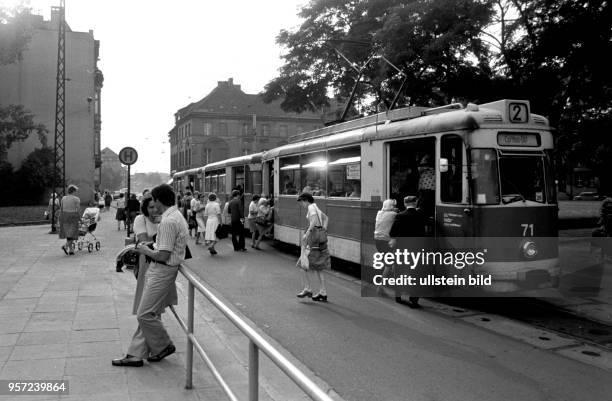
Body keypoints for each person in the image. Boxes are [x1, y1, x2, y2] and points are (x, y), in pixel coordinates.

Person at [112, 184, 187, 368]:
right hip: (161, 270)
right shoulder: (175, 216)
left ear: (159, 200)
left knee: (144, 314)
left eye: (153, 199)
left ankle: (164, 345)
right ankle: (136, 354)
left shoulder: (169, 221)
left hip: (162, 271)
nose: (152, 203)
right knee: (149, 312)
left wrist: (145, 249)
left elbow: (163, 255)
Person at [389, 195, 426, 307]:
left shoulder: (400, 216)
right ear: (416, 203)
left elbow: (392, 233)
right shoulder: (421, 215)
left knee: (400, 272)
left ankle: (398, 296)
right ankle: (414, 300)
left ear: (405, 204)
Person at [296, 192, 330, 302]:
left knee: (302, 263)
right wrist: (323, 230)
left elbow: (314, 220)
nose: (301, 205)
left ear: (305, 200)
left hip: (313, 239)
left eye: (301, 202)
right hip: (320, 238)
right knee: (318, 267)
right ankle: (323, 292)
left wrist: (308, 233)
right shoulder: (316, 207)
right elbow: (326, 218)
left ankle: (307, 288)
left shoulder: (311, 207)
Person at [130, 197, 161, 307]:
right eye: (151, 207)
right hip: (147, 259)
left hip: (160, 260)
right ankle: (143, 320)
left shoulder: (162, 219)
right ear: (145, 208)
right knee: (145, 292)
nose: (154, 210)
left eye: (156, 207)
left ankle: (152, 320)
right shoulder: (140, 219)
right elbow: (144, 241)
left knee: (157, 297)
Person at [59, 185, 81, 255]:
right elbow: (78, 209)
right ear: (73, 191)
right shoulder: (76, 199)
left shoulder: (63, 198)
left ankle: (71, 250)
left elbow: (61, 208)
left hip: (64, 216)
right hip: (73, 216)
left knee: (68, 232)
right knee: (73, 233)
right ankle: (65, 246)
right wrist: (79, 217)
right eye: (75, 191)